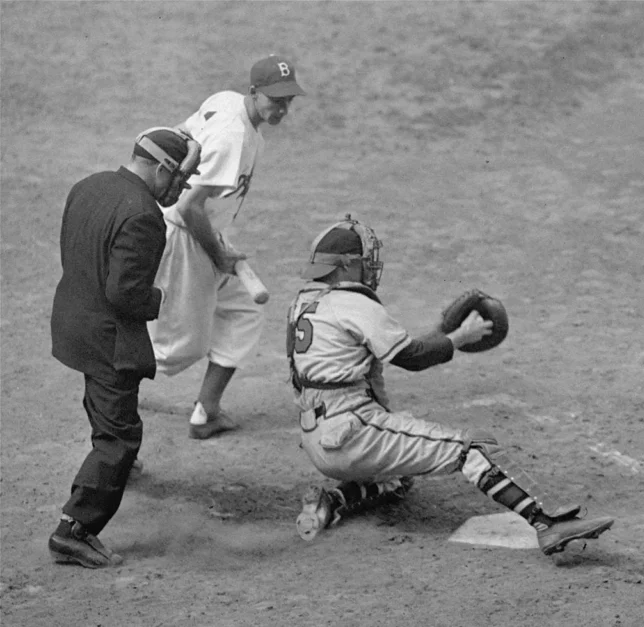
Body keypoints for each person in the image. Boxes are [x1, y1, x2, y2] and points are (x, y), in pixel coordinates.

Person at [287, 216, 615, 556]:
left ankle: (333, 500)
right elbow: (412, 357)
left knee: (399, 477)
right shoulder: (353, 303)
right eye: (363, 261)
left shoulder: (303, 305)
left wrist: (441, 330)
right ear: (345, 266)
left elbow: (391, 351)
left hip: (319, 439)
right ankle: (547, 522)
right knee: (474, 447)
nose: (370, 267)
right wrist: (459, 337)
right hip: (355, 432)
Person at [49, 127, 201, 568]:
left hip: (73, 322)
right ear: (160, 168)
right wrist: (156, 300)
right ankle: (74, 529)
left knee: (103, 407)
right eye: (179, 178)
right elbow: (125, 293)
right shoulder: (144, 215)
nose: (181, 189)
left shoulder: (88, 185)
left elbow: (75, 252)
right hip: (108, 337)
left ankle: (112, 474)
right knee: (120, 437)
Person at [148, 54, 306, 439]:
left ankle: (206, 411)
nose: (282, 108)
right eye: (275, 100)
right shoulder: (234, 137)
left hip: (201, 232)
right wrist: (218, 256)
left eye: (288, 99)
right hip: (185, 237)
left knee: (243, 311)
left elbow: (178, 134)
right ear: (254, 92)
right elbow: (188, 207)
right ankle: (107, 377)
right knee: (176, 349)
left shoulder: (225, 101)